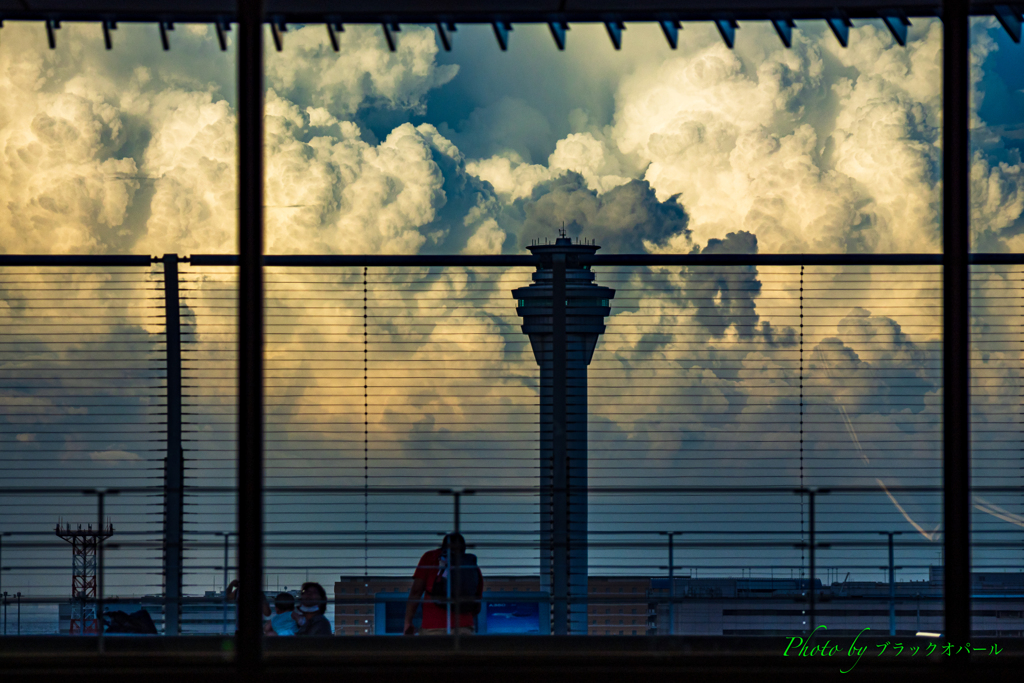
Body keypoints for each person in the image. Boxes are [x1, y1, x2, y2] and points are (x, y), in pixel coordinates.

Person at [404, 533, 483, 636]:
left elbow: (416, 592)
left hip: (433, 626)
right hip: (464, 627)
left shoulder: (430, 558)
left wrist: (408, 622)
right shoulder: (471, 567)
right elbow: (477, 606)